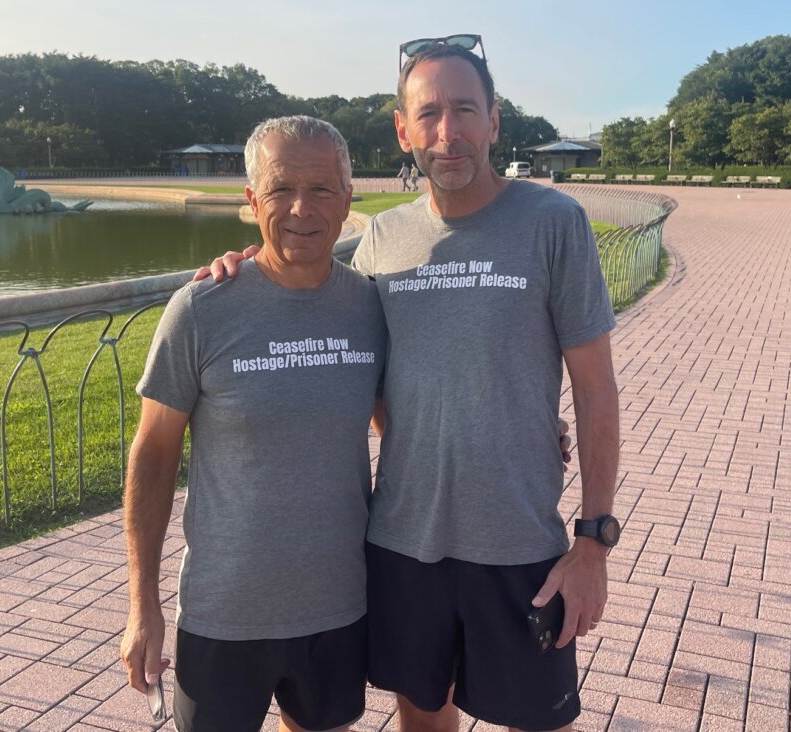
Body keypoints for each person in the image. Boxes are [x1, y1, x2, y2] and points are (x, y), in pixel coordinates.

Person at [198, 37, 621, 732]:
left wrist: (593, 543)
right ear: (403, 128)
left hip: (520, 542)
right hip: (403, 543)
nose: (447, 133)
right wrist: (246, 273)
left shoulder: (553, 223)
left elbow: (597, 390)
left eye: (464, 110)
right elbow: (348, 355)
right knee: (424, 719)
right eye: (428, 114)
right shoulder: (381, 241)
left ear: (494, 119)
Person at [119, 115, 386, 732]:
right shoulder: (201, 308)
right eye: (280, 189)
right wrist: (143, 604)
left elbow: (407, 419)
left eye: (322, 189)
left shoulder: (372, 307)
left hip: (338, 605)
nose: (301, 208)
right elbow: (153, 456)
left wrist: (535, 427)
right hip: (224, 612)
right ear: (251, 200)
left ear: (348, 199)